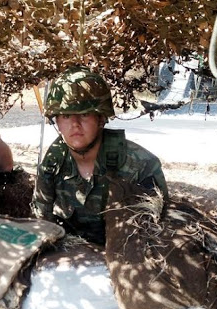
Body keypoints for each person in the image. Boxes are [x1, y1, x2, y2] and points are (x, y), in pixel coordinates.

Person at [32, 66, 168, 245]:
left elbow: (161, 231)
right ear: (56, 120)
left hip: (126, 255)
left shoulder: (140, 164)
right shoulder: (52, 163)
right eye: (65, 116)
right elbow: (42, 222)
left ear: (101, 118)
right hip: (70, 257)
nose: (75, 124)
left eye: (85, 114)